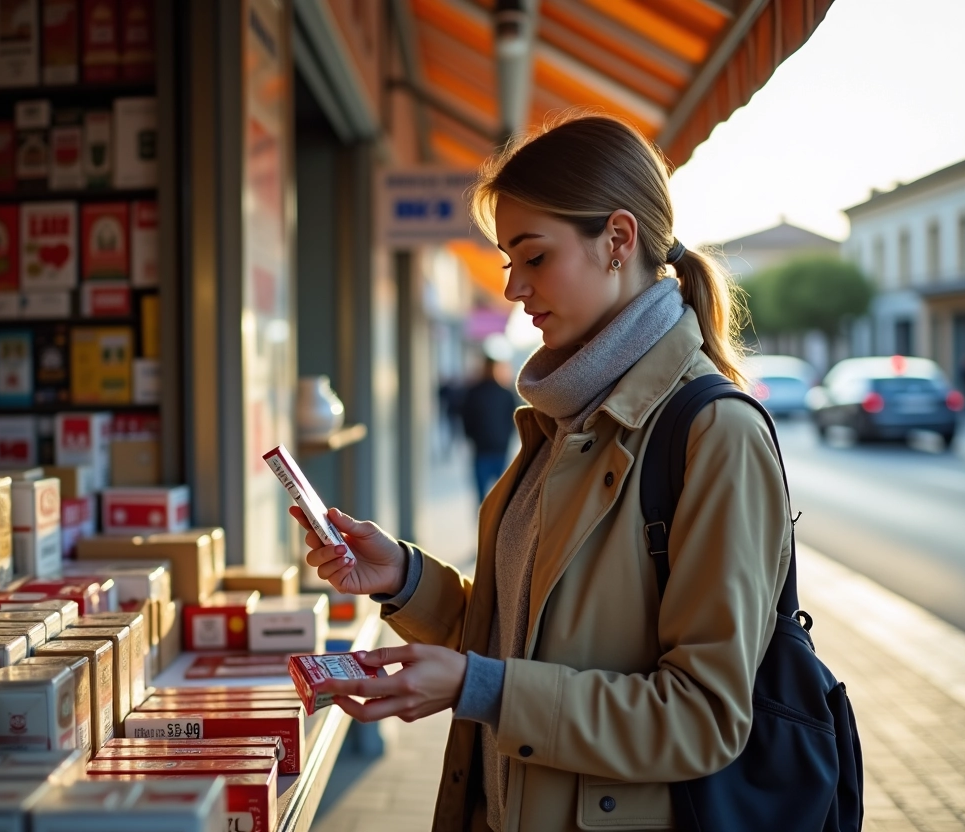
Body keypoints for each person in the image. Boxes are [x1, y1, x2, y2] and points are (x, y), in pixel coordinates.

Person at [288, 114, 791, 832]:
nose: (514, 290)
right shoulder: (564, 418)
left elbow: (702, 717)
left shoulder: (713, 432)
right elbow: (518, 639)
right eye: (507, 264)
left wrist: (481, 688)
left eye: (534, 257)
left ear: (618, 240)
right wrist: (403, 577)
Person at [461, 356, 518, 501]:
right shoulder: (505, 394)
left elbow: (466, 419)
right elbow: (513, 420)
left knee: (486, 497)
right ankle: (494, 524)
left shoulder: (474, 393)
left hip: (485, 449)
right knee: (502, 498)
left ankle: (485, 523)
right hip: (496, 449)